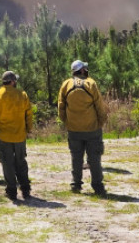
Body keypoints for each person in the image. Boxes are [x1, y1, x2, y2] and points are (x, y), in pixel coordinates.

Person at [57, 59, 107, 195]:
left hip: (73, 130)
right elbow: (100, 107)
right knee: (95, 159)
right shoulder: (91, 83)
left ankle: (76, 184)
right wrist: (101, 122)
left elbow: (60, 108)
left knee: (76, 158)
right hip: (92, 129)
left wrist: (67, 122)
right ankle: (98, 186)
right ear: (83, 70)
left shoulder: (66, 85)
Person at [0, 70, 33, 201]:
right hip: (20, 135)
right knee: (21, 162)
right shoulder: (22, 94)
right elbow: (28, 114)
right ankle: (25, 189)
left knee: (7, 163)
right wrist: (28, 128)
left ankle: (12, 191)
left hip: (4, 136)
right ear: (13, 81)